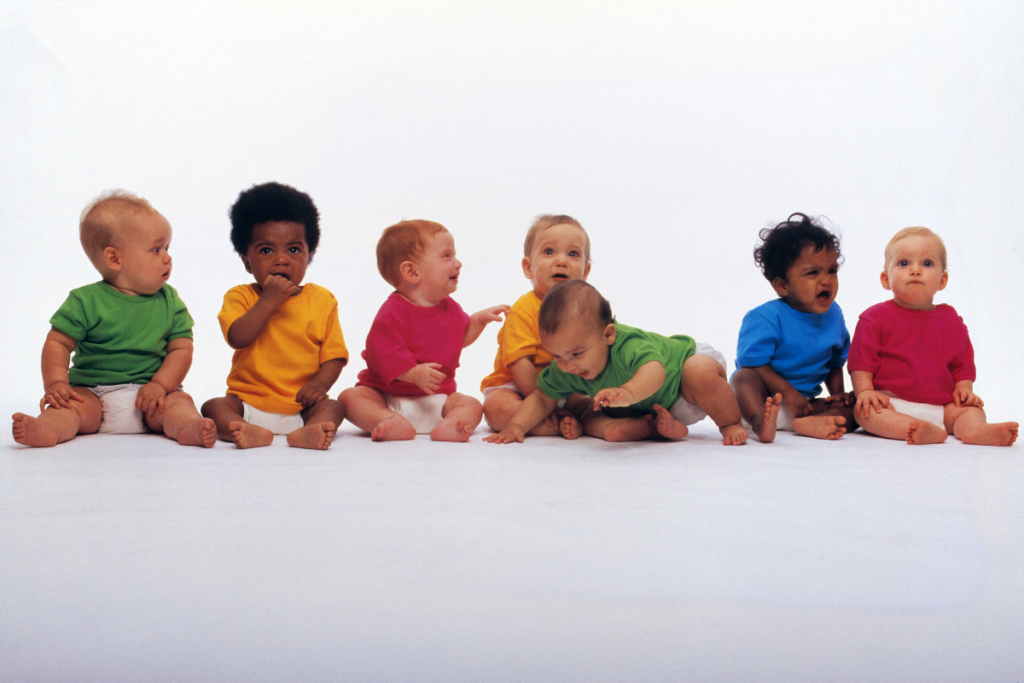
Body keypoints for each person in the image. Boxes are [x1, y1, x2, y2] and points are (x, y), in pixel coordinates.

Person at [12, 191, 215, 448]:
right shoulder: (86, 301)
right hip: (93, 392)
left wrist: (161, 385)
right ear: (114, 258)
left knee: (179, 405)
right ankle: (47, 429)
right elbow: (58, 343)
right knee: (71, 408)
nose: (167, 257)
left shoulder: (170, 301)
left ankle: (189, 428)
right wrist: (56, 383)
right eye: (156, 249)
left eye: (167, 247)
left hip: (152, 395)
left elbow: (182, 348)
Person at [485, 280, 748, 445]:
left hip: (682, 384)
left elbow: (655, 371)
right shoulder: (569, 367)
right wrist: (516, 426)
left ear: (608, 335)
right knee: (599, 412)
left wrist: (629, 392)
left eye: (576, 354)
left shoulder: (627, 345)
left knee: (699, 372)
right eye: (556, 356)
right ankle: (661, 429)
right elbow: (542, 398)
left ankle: (730, 422)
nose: (567, 366)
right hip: (652, 405)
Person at [201, 182, 347, 450]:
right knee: (213, 407)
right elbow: (238, 337)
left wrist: (319, 384)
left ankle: (309, 432)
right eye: (267, 250)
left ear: (309, 256)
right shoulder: (240, 296)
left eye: (293, 250)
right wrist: (268, 300)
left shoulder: (322, 300)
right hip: (248, 403)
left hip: (302, 407)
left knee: (336, 407)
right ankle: (249, 431)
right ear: (247, 262)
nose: (282, 260)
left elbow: (334, 355)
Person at [340, 220, 508, 442]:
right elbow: (380, 353)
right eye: (447, 256)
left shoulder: (450, 307)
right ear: (411, 271)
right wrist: (412, 373)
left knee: (472, 404)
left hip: (437, 399)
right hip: (386, 395)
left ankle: (450, 425)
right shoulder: (393, 311)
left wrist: (478, 321)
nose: (457, 263)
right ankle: (388, 420)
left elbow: (459, 338)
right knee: (350, 398)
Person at [848, 227, 1017, 446]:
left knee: (969, 410)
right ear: (886, 279)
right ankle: (912, 428)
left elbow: (962, 365)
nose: (915, 270)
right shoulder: (874, 318)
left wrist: (964, 390)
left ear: (943, 280)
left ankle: (974, 431)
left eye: (927, 263)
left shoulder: (952, 320)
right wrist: (865, 391)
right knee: (866, 412)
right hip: (892, 402)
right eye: (904, 263)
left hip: (943, 406)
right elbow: (861, 362)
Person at [730, 213, 856, 442]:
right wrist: (788, 393)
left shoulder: (834, 314)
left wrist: (837, 394)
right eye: (812, 273)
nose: (826, 280)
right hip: (763, 402)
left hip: (805, 406)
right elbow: (753, 363)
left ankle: (811, 424)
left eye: (832, 270)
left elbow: (835, 362)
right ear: (782, 285)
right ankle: (760, 422)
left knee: (856, 409)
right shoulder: (765, 317)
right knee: (743, 378)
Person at [480, 214, 594, 440]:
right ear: (528, 267)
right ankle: (549, 424)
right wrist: (542, 405)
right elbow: (520, 365)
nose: (561, 261)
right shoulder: (524, 309)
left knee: (593, 403)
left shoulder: (587, 311)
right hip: (517, 387)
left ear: (586, 272)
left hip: (565, 385)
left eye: (573, 254)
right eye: (549, 252)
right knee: (496, 408)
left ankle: (590, 421)